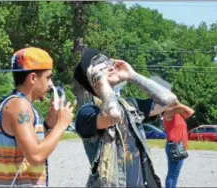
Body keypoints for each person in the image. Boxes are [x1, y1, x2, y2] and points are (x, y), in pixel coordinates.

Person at [74, 48, 179, 187]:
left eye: (108, 60)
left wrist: (133, 76)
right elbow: (114, 115)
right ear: (92, 77)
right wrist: (101, 81)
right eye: (101, 63)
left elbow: (170, 100)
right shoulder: (87, 113)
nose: (110, 65)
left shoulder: (131, 106)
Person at [0, 47, 74, 187]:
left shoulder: (15, 103)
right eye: (48, 77)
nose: (51, 84)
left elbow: (25, 147)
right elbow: (35, 156)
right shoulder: (19, 106)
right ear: (33, 78)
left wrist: (49, 124)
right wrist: (61, 124)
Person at [163, 103, 195, 188]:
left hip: (179, 145)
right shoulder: (168, 112)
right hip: (175, 144)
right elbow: (180, 107)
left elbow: (191, 111)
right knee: (172, 173)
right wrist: (177, 102)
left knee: (175, 174)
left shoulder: (179, 115)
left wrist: (177, 103)